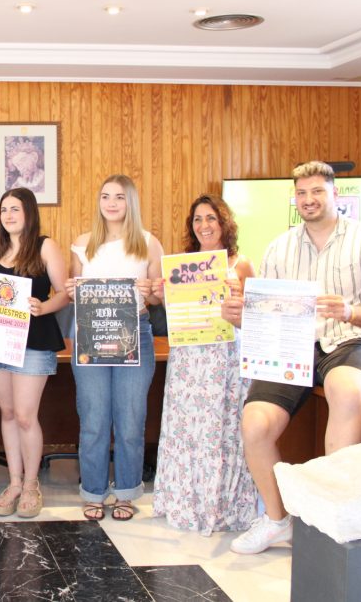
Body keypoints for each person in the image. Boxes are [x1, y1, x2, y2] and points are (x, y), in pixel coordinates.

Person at [222, 161, 361, 554]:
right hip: (294, 348)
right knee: (254, 423)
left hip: (354, 342)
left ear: (335, 194)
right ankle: (277, 521)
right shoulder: (279, 248)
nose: (309, 199)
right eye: (302, 193)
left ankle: (337, 518)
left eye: (317, 191)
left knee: (345, 388)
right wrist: (239, 316)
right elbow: (267, 317)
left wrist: (350, 311)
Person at [151, 194, 258, 535]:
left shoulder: (241, 264)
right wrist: (160, 295)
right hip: (188, 359)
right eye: (197, 219)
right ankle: (184, 502)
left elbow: (257, 314)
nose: (204, 225)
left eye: (211, 218)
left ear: (224, 223)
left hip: (225, 359)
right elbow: (174, 311)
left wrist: (239, 297)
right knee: (186, 429)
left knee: (222, 428)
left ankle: (223, 506)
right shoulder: (181, 264)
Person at [66, 174, 163, 521]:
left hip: (134, 334)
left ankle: (126, 492)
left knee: (130, 420)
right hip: (91, 335)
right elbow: (72, 294)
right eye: (105, 196)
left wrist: (152, 290)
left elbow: (158, 298)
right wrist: (71, 290)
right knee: (93, 418)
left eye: (119, 197)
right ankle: (93, 491)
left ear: (130, 202)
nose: (111, 203)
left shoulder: (149, 243)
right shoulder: (83, 243)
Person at [0, 187, 68, 519]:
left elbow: (64, 293)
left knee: (27, 415)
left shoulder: (45, 246)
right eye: (4, 210)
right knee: (8, 412)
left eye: (15, 209)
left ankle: (31, 484)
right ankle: (14, 482)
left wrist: (44, 307)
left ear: (29, 212)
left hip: (34, 340)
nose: (9, 215)